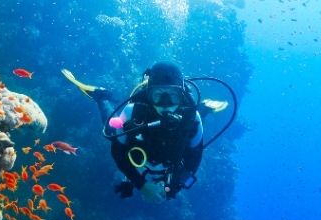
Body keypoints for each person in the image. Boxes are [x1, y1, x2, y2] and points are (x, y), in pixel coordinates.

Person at [62, 61, 229, 201]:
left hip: (182, 129)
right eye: (158, 95)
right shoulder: (133, 111)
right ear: (149, 94)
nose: (165, 104)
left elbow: (194, 158)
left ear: (181, 95)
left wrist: (175, 187)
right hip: (139, 140)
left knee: (191, 122)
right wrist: (141, 185)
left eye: (173, 95)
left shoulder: (192, 118)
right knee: (110, 131)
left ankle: (204, 108)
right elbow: (118, 153)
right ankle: (102, 97)